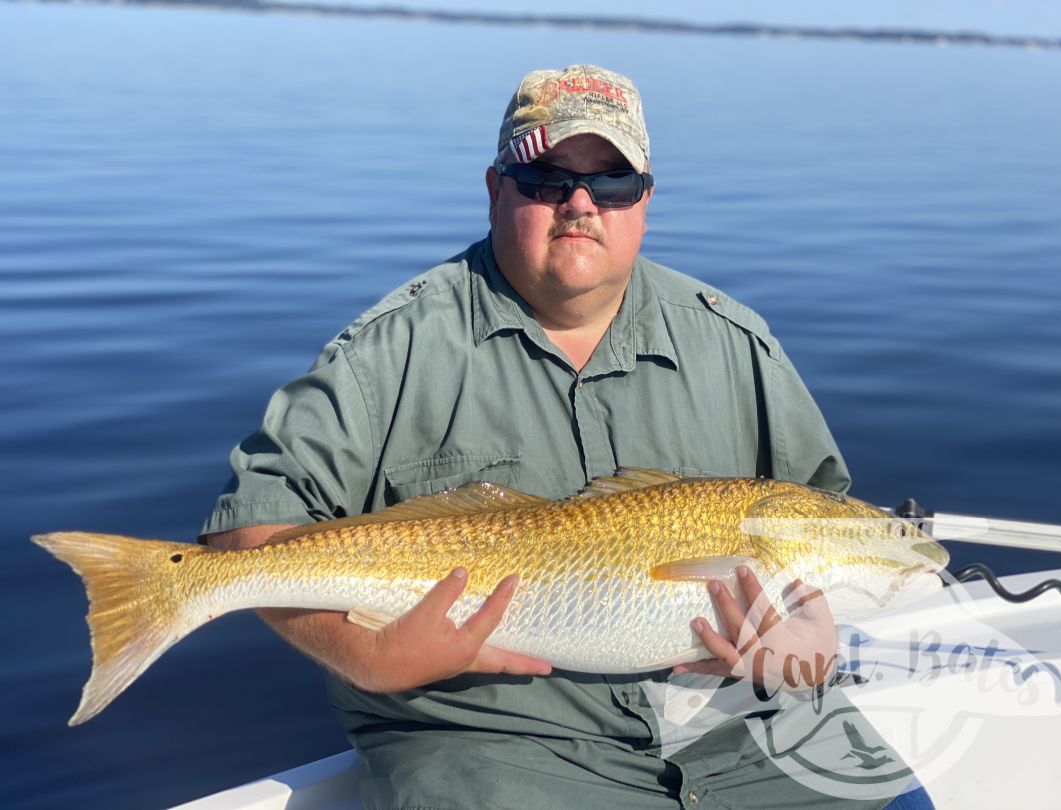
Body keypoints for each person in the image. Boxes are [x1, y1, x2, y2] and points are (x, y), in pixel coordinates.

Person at [203, 65, 914, 809]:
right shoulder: (390, 350)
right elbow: (246, 536)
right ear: (495, 188)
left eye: (611, 183)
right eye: (547, 178)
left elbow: (820, 518)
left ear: (644, 200)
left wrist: (812, 637)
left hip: (748, 729)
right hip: (493, 748)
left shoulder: (734, 343)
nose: (581, 204)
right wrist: (370, 657)